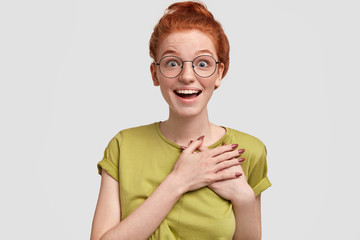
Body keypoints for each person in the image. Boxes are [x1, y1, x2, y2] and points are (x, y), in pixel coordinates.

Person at [91, 1, 271, 239]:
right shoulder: (123, 146)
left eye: (203, 63)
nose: (187, 76)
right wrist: (178, 181)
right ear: (155, 74)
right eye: (172, 63)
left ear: (219, 73)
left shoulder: (249, 151)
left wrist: (245, 200)